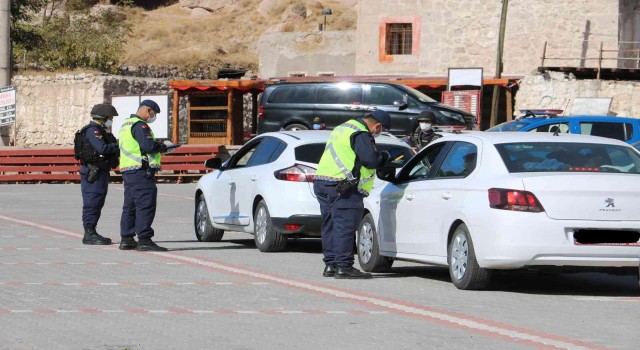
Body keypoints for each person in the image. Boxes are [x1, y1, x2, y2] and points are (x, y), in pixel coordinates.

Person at [313, 109, 391, 279]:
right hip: (343, 186)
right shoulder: (360, 133)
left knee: (330, 225)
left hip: (323, 182)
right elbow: (370, 160)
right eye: (381, 129)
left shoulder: (343, 127)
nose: (379, 133)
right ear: (377, 126)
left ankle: (331, 265)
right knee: (344, 227)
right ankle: (343, 267)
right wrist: (384, 157)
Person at [118, 100, 177, 251]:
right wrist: (164, 147)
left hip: (128, 170)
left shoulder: (126, 124)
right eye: (154, 114)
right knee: (145, 204)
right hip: (141, 171)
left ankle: (127, 238)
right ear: (148, 111)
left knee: (130, 205)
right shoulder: (140, 125)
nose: (153, 117)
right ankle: (144, 239)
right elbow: (148, 146)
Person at [77, 103, 120, 245]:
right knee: (92, 202)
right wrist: (119, 145)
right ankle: (89, 233)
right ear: (103, 117)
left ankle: (92, 231)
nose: (111, 121)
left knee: (97, 202)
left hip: (100, 172)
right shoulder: (93, 131)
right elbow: (102, 148)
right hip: (93, 172)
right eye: (110, 118)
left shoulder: (101, 131)